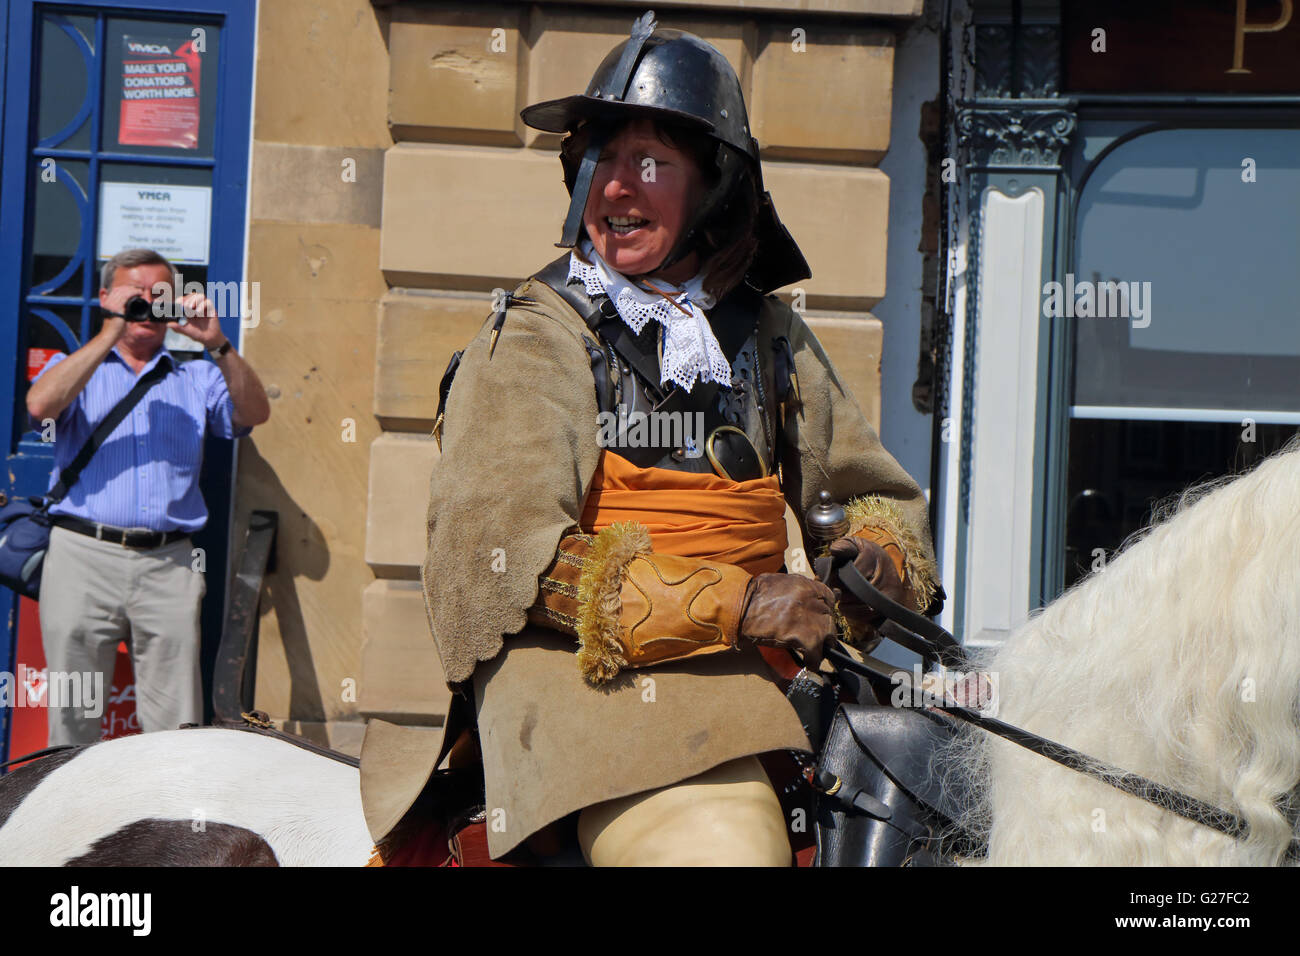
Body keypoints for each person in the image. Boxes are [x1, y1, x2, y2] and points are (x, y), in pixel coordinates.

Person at [360, 17, 941, 866]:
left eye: (652, 163)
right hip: (586, 690)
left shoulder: (771, 334)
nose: (617, 188)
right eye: (603, 159)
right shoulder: (535, 335)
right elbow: (499, 563)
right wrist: (735, 604)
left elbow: (873, 494)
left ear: (713, 186)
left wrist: (869, 561)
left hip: (769, 683)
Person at [26, 248, 271, 746]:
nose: (147, 305)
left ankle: (173, 821)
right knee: (72, 716)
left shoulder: (196, 378)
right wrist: (111, 330)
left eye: (158, 295)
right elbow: (40, 405)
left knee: (176, 721)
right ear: (104, 297)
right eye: (134, 294)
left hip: (169, 562)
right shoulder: (76, 368)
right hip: (82, 556)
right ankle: (72, 819)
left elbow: (255, 412)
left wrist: (218, 344)